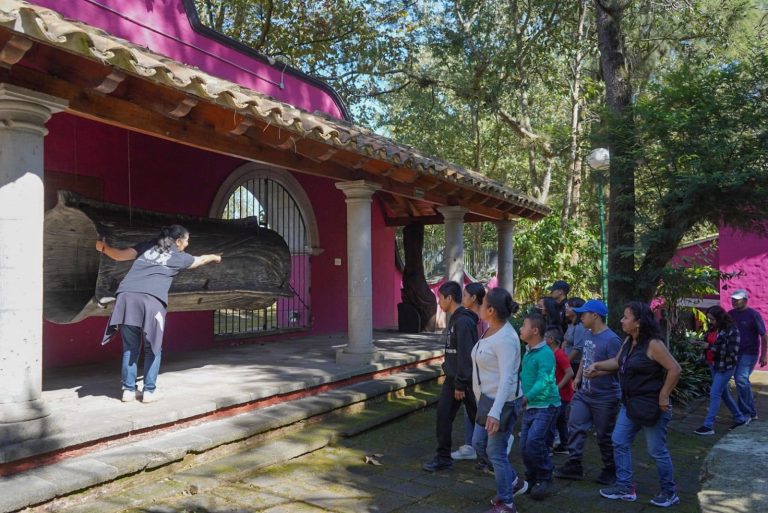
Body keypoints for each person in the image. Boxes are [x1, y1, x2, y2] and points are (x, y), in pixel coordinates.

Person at [97, 225, 222, 403]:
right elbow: (200, 260)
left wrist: (102, 247)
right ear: (178, 241)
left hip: (126, 298)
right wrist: (214, 257)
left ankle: (128, 390)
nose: (187, 244)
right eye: (186, 241)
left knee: (130, 347)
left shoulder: (146, 246)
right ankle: (149, 391)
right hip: (150, 302)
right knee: (153, 348)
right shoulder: (179, 257)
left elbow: (119, 255)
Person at [588, 302, 682, 508]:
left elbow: (675, 369)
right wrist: (597, 367)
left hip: (652, 406)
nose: (621, 320)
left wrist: (664, 396)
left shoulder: (653, 344)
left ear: (638, 322)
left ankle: (669, 492)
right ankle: (624, 486)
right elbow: (617, 362)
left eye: (626, 317)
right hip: (630, 404)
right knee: (619, 440)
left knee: (656, 450)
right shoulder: (629, 341)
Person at [471, 288, 527, 513]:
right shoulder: (490, 329)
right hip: (487, 400)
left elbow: (507, 379)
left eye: (483, 302)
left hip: (502, 404)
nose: (480, 305)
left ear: (491, 310)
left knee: (496, 452)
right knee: (478, 444)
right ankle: (514, 482)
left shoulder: (506, 338)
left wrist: (495, 411)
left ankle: (507, 502)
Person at [555, 299, 622, 485]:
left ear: (595, 315)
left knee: (604, 435)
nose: (580, 316)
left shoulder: (612, 340)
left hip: (605, 396)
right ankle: (574, 464)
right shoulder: (588, 334)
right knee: (575, 426)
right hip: (585, 392)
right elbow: (585, 357)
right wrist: (578, 378)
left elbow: (618, 366)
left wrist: (598, 371)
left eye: (584, 314)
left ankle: (610, 468)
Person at [423, 281, 479, 472]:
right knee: (444, 416)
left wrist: (461, 384)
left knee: (479, 418)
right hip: (454, 379)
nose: (438, 302)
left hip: (464, 381)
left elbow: (466, 354)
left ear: (449, 298)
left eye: (440, 297)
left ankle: (495, 453)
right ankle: (443, 457)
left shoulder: (462, 322)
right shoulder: (456, 320)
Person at [519, 313, 561, 500]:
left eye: (524, 326)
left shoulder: (546, 354)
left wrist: (526, 397)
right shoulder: (528, 351)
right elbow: (524, 376)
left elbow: (544, 381)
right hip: (531, 405)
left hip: (546, 405)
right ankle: (531, 477)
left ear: (535, 331)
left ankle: (545, 476)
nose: (520, 328)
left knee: (534, 441)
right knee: (524, 445)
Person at [693, 305, 750, 435]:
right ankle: (740, 418)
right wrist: (698, 342)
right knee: (723, 394)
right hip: (713, 364)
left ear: (720, 318)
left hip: (725, 366)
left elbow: (732, 351)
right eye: (709, 319)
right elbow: (709, 341)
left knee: (714, 393)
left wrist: (710, 346)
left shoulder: (732, 330)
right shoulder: (714, 328)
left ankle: (708, 426)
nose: (710, 321)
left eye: (712, 319)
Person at [452, 282, 487, 462]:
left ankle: (480, 445)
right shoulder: (469, 317)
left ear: (474, 298)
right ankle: (471, 444)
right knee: (470, 409)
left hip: (482, 372)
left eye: (465, 295)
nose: (463, 299)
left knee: (479, 409)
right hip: (474, 372)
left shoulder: (482, 319)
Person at [728, 289, 767, 421]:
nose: (733, 302)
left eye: (736, 300)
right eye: (732, 299)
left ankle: (747, 412)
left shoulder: (753, 315)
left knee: (741, 379)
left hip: (749, 353)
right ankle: (748, 411)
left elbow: (764, 335)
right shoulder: (730, 314)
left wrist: (764, 354)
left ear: (745, 300)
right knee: (741, 381)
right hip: (734, 353)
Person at [544, 326, 574, 455]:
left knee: (551, 420)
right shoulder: (552, 354)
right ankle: (564, 445)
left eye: (545, 337)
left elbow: (570, 372)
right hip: (561, 394)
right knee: (561, 420)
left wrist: (558, 387)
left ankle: (548, 447)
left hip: (561, 395)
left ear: (550, 339)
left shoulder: (559, 354)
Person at [563, 297, 588, 374]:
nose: (566, 308)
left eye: (570, 307)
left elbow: (577, 349)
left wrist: (564, 365)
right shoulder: (571, 324)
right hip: (568, 362)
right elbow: (565, 342)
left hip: (574, 365)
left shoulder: (580, 326)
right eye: (566, 306)